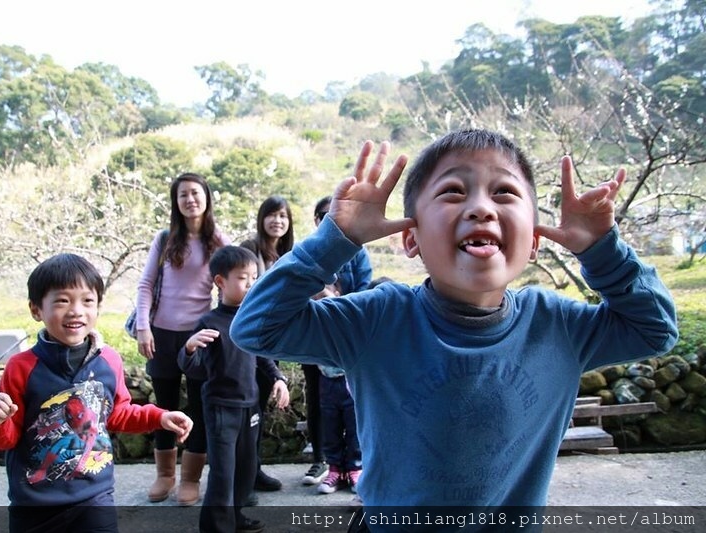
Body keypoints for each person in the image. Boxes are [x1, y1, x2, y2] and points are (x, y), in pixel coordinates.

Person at [231, 130, 678, 528]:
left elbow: (655, 329)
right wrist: (336, 240)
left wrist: (603, 251)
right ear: (411, 238)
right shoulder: (376, 320)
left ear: (537, 239)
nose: (481, 207)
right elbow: (256, 328)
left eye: (504, 192)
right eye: (452, 191)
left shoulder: (558, 325)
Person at [0, 253, 193, 533]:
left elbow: (117, 414)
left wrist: (159, 417)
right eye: (62, 301)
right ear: (36, 310)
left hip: (95, 498)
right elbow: (8, 438)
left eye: (87, 301)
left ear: (98, 307)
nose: (76, 311)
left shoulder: (109, 361)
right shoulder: (21, 367)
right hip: (34, 504)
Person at [135, 172, 231, 505]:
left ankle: (191, 478)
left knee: (200, 408)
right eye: (183, 195)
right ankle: (165, 475)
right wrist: (143, 327)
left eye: (195, 193)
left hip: (199, 335)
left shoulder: (217, 239)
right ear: (176, 203)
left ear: (206, 197)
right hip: (161, 334)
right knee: (164, 405)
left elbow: (232, 282)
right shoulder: (165, 239)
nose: (190, 199)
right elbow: (146, 285)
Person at [178, 245, 290, 533]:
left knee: (246, 468)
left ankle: (236, 517)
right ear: (220, 282)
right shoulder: (209, 323)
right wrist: (189, 348)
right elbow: (194, 368)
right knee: (223, 473)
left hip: (250, 405)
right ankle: (217, 526)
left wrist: (278, 378)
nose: (251, 284)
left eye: (254, 277)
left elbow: (262, 356)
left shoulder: (251, 318)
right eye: (243, 278)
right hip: (220, 407)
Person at [301, 196, 372, 487]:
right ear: (316, 220)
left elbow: (366, 293)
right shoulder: (307, 251)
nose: (330, 219)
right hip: (313, 339)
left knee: (352, 407)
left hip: (348, 339)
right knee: (321, 406)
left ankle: (354, 466)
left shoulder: (358, 253)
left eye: (337, 213)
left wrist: (337, 303)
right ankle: (325, 463)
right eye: (323, 214)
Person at [239, 195, 294, 493]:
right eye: (272, 215)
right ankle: (247, 473)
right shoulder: (249, 250)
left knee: (258, 409)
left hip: (276, 335)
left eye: (283, 216)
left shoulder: (290, 254)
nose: (278, 221)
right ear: (262, 219)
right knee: (249, 410)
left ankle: (253, 469)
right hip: (251, 336)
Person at [309, 283, 363, 497]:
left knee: (353, 428)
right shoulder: (315, 329)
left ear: (338, 295)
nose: (322, 303)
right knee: (330, 427)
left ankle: (355, 469)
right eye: (317, 300)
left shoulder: (349, 322)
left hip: (348, 382)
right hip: (326, 383)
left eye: (326, 296)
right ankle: (334, 470)